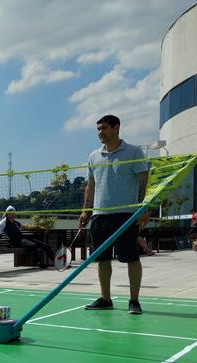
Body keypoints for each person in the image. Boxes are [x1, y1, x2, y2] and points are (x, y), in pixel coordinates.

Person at [79, 114, 149, 315]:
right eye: (98, 129)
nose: (100, 132)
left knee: (131, 258)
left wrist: (145, 207)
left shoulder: (133, 152)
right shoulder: (93, 156)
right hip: (100, 216)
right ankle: (105, 298)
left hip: (126, 214)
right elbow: (90, 186)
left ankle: (134, 301)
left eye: (104, 128)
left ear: (117, 128)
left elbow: (144, 180)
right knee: (102, 259)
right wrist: (86, 210)